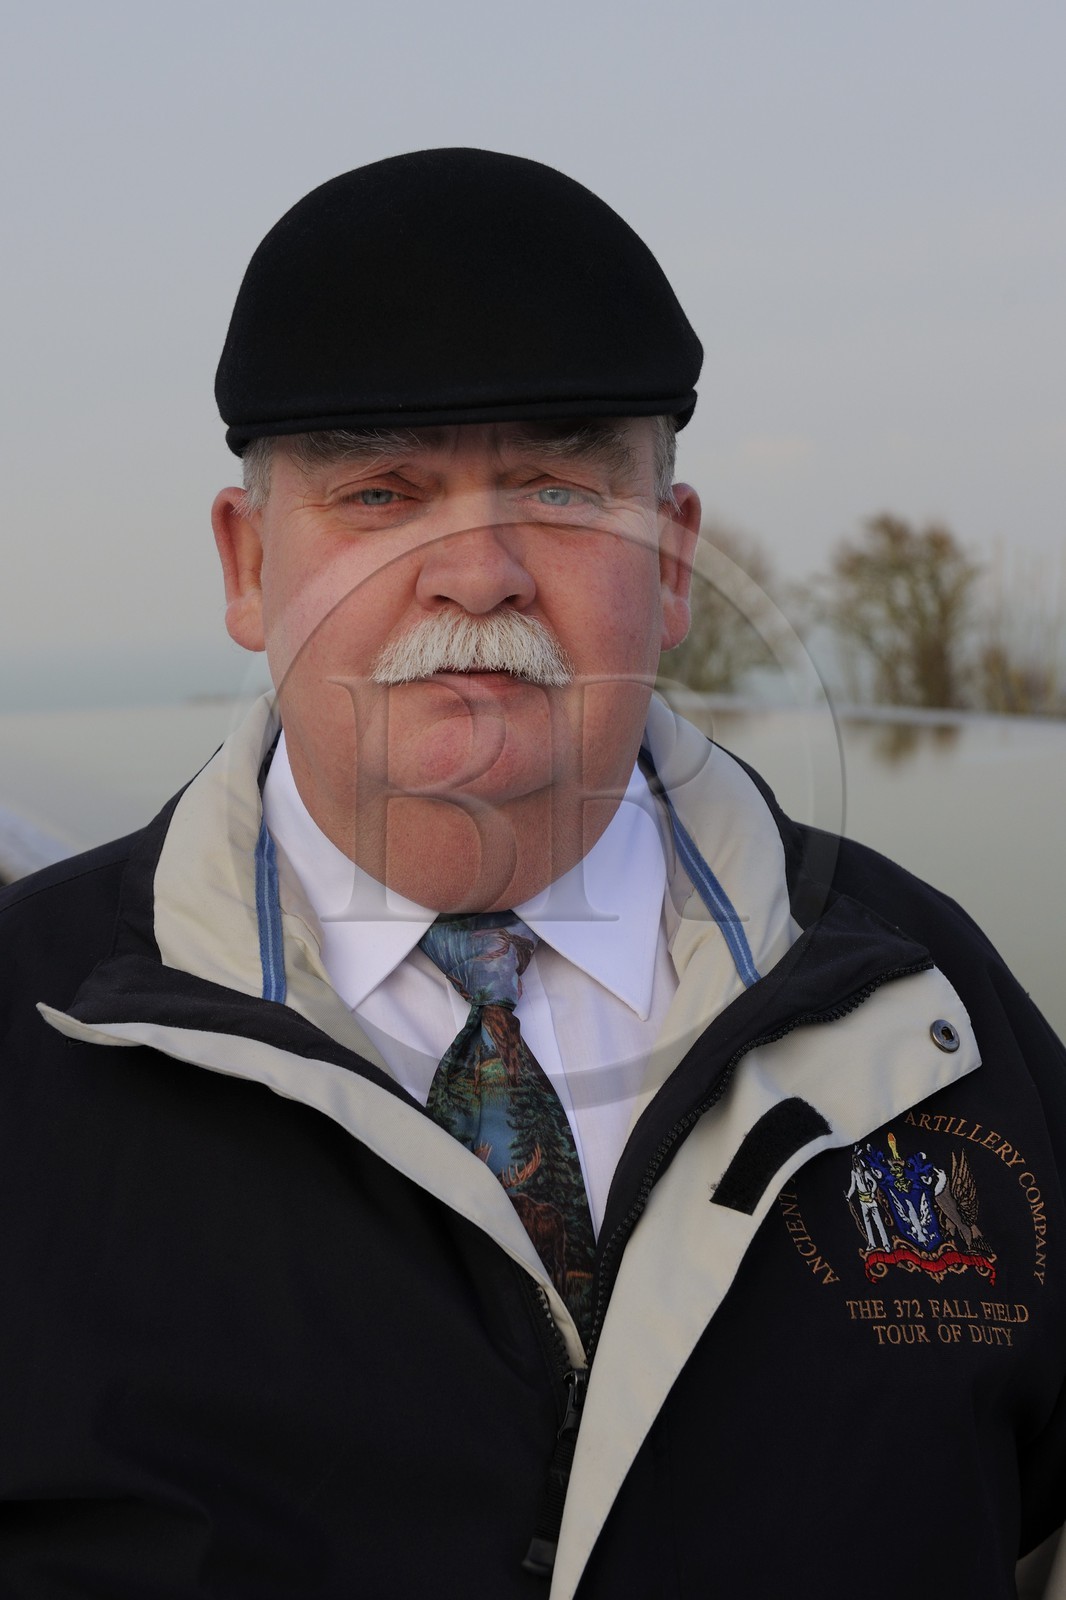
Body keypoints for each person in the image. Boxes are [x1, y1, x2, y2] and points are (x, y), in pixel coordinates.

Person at [1, 148, 1064, 1600]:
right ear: (249, 567)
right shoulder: (26, 1040)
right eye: (382, 494)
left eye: (562, 492)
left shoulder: (936, 1024)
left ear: (674, 564)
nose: (479, 570)